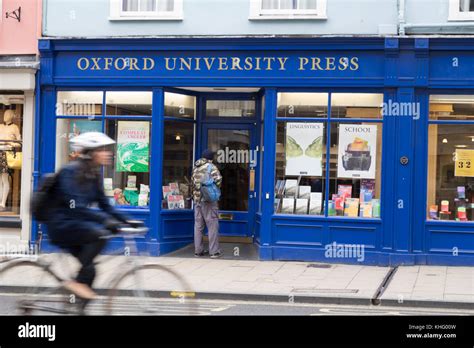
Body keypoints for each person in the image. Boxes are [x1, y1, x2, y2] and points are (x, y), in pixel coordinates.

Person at [45, 132, 135, 300]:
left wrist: (128, 220)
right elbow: (75, 207)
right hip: (60, 224)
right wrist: (105, 221)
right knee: (99, 235)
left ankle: (77, 306)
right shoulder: (70, 172)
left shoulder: (93, 174)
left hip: (75, 225)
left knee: (90, 271)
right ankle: (76, 284)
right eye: (103, 149)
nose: (108, 153)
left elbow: (105, 205)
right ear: (91, 152)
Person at [191, 149, 222, 258]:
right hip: (208, 200)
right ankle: (214, 251)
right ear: (210, 158)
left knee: (198, 226)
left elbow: (193, 183)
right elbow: (218, 180)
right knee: (212, 224)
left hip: (197, 200)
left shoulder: (196, 167)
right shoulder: (211, 167)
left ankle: (198, 251)